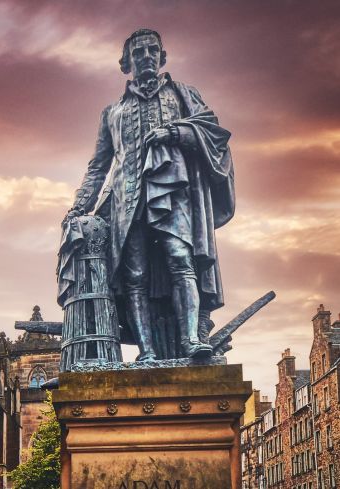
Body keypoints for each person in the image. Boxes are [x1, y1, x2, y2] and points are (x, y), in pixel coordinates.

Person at [63, 29, 235, 360]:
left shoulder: (183, 95)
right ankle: (147, 352)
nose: (146, 56)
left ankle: (190, 341)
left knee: (181, 260)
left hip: (173, 190)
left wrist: (175, 132)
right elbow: (98, 166)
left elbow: (213, 133)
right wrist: (79, 206)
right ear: (126, 62)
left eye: (153, 50)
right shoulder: (111, 112)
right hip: (126, 201)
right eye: (139, 52)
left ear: (161, 57)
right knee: (134, 277)